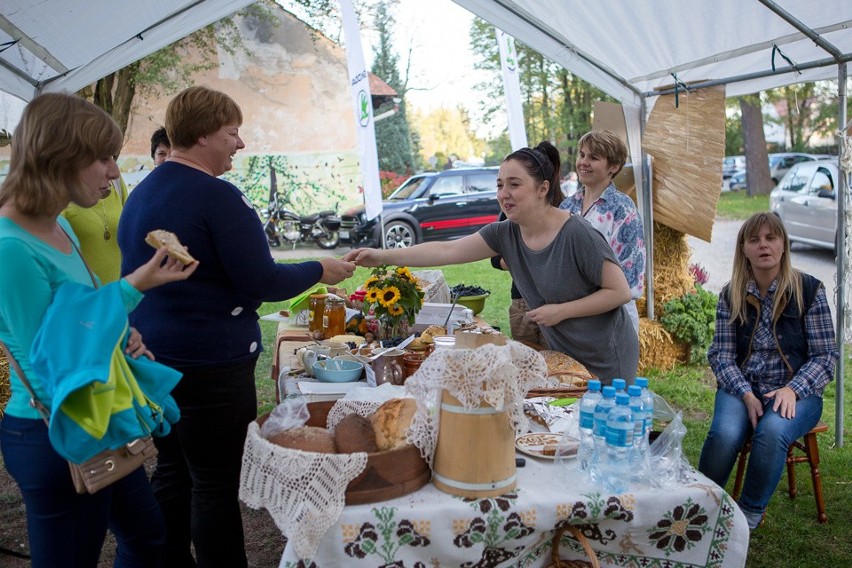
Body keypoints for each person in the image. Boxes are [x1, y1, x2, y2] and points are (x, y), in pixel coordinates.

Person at [117, 85, 355, 568]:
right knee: (215, 483)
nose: (239, 144)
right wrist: (318, 268)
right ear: (204, 135)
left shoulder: (141, 192)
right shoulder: (217, 196)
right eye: (232, 133)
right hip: (210, 365)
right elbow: (263, 279)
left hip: (153, 359)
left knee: (173, 471)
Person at [0, 92, 198, 567]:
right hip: (55, 431)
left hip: (94, 420)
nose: (114, 171)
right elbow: (50, 360)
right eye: (102, 157)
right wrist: (133, 287)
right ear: (60, 157)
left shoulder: (58, 226)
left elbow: (78, 313)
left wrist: (119, 332)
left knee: (148, 537)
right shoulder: (11, 246)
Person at [345, 141, 638, 383]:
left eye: (514, 184)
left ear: (542, 188)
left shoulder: (576, 233)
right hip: (564, 355)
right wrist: (381, 256)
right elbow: (447, 252)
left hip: (606, 357)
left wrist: (560, 312)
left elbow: (619, 292)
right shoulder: (504, 233)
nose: (503, 194)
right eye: (499, 185)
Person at [697, 212, 837, 530]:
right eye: (754, 239)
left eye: (771, 238)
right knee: (725, 434)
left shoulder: (809, 291)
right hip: (743, 386)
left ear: (784, 246)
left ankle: (747, 515)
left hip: (797, 391)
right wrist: (745, 394)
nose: (763, 246)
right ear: (743, 249)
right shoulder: (731, 294)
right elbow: (721, 355)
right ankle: (700, 504)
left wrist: (793, 390)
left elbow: (826, 357)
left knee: (772, 432)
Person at [559, 130, 645, 333]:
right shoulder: (566, 207)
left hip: (612, 318)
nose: (583, 162)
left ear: (613, 167)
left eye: (593, 157)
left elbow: (630, 279)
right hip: (570, 315)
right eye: (582, 155)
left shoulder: (623, 210)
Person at [61, 174, 128, 283]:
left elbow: (129, 229)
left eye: (113, 157)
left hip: (117, 291)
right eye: (103, 159)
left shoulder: (116, 182)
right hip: (83, 294)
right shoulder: (59, 188)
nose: (114, 169)